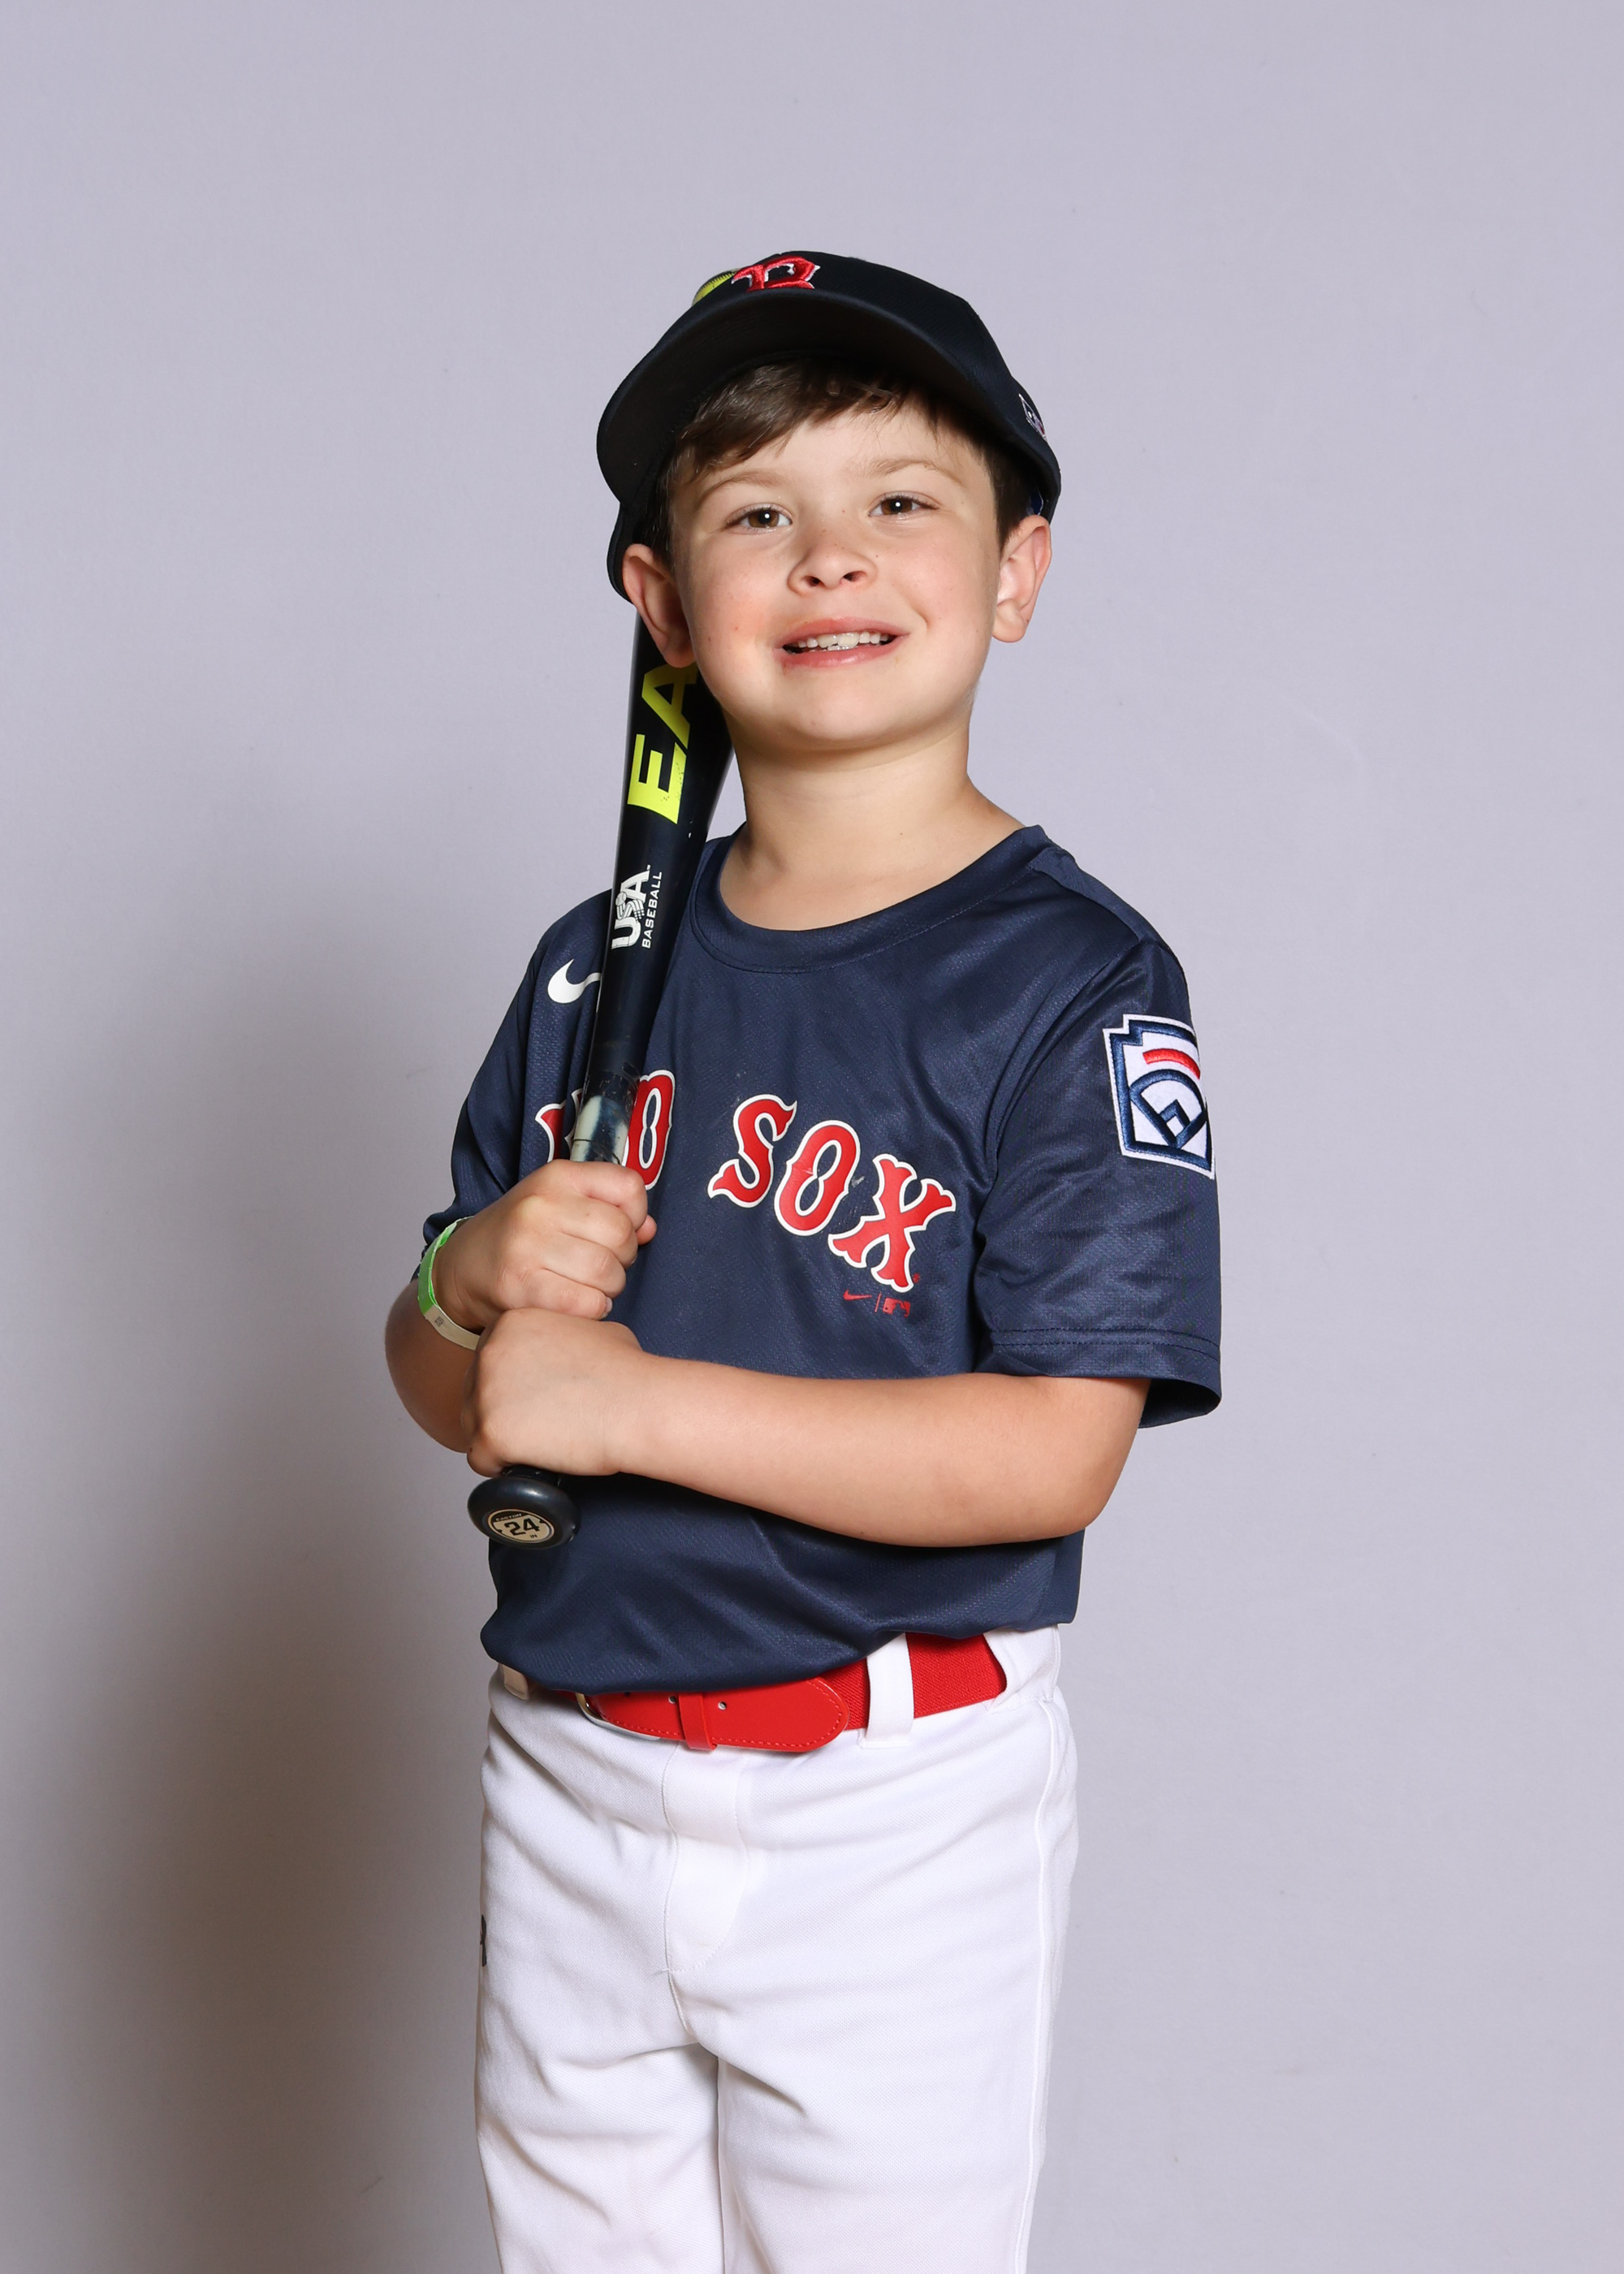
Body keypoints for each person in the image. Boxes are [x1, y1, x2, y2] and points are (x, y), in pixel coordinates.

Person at [385, 250, 1220, 2274]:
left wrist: (631, 1405)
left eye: (899, 499)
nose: (828, 552)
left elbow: (1052, 1451)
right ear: (664, 603)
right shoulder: (588, 970)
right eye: (755, 510)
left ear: (1016, 572)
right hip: (568, 1758)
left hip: (887, 1795)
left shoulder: (1072, 981)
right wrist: (466, 1282)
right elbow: (442, 1373)